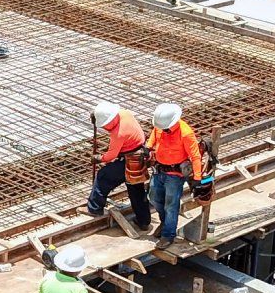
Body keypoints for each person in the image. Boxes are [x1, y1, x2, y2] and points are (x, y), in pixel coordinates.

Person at [85, 100, 151, 231]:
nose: (104, 128)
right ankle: (144, 221)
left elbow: (111, 155)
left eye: (104, 125)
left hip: (128, 159)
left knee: (103, 176)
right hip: (140, 156)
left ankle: (95, 208)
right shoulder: (125, 113)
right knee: (136, 190)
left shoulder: (118, 134)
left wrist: (99, 158)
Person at [146, 102, 204, 244]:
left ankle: (168, 235)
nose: (163, 130)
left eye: (166, 128)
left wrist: (197, 177)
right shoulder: (161, 126)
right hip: (159, 169)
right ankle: (165, 223)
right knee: (153, 198)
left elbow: (195, 156)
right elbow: (154, 134)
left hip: (174, 174)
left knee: (171, 205)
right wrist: (148, 146)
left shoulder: (185, 133)